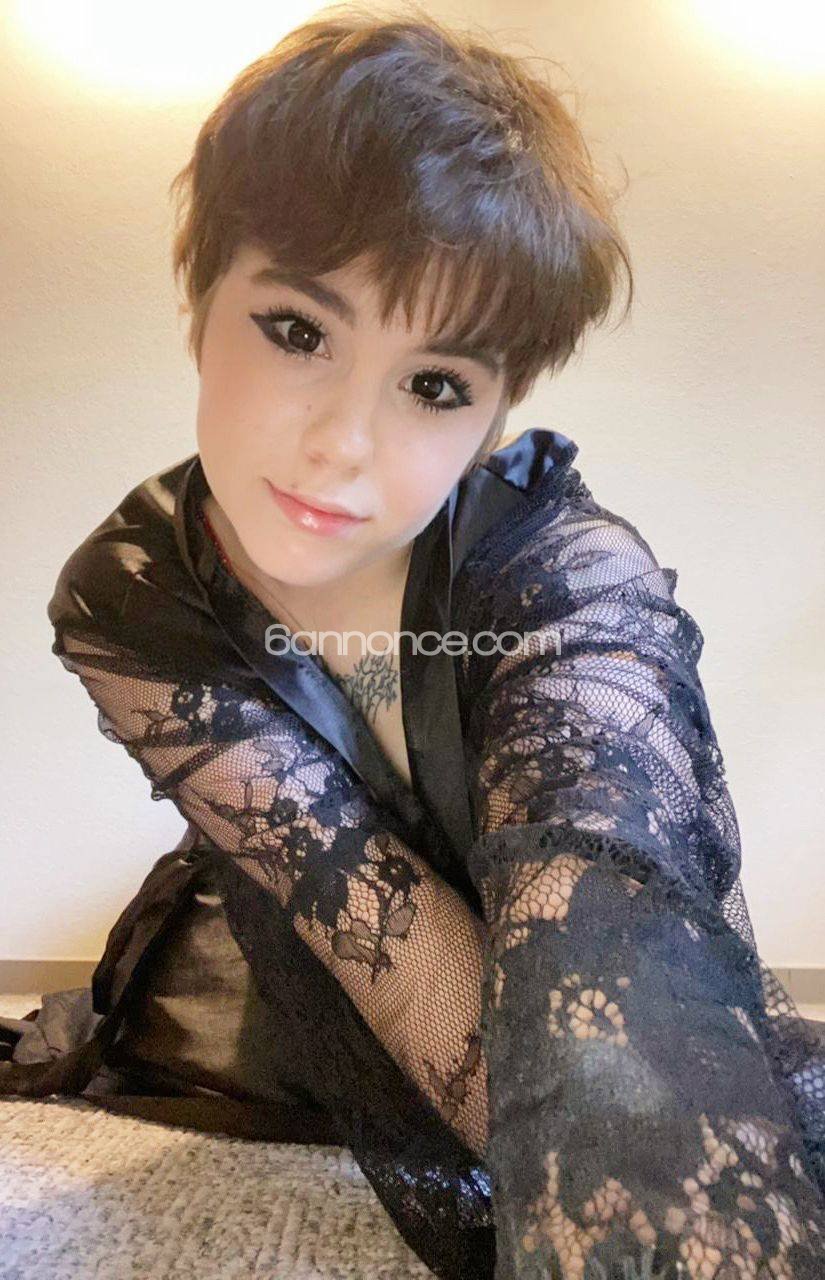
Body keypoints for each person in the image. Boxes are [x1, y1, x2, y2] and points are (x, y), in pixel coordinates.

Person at [2, 7, 824, 1278]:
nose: (342, 443)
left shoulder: (567, 581)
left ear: (493, 414)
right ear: (200, 302)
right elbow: (386, 957)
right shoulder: (134, 595)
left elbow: (613, 955)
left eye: (435, 384)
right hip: (295, 976)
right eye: (298, 329)